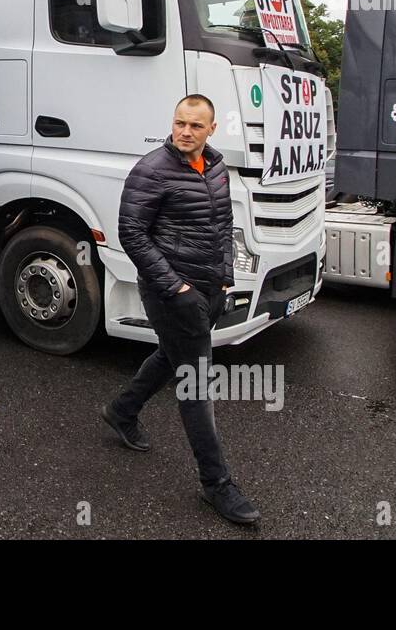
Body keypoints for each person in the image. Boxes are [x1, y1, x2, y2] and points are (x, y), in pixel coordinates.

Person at [101, 94, 261, 526]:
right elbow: (131, 233)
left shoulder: (216, 166)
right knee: (195, 382)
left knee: (174, 356)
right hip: (169, 291)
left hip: (207, 287)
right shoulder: (152, 170)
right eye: (179, 123)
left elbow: (223, 223)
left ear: (212, 129)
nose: (185, 131)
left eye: (195, 125)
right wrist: (177, 286)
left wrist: (225, 275)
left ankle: (122, 410)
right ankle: (217, 484)